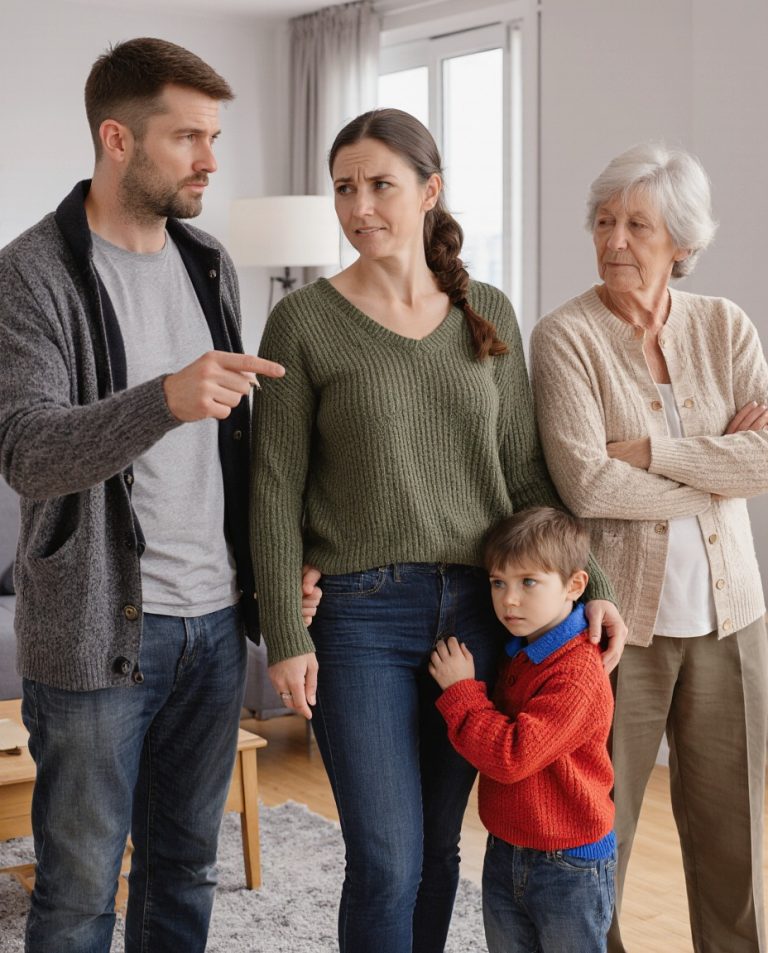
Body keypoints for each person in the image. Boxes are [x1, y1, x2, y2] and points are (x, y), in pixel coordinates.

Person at [250, 107, 627, 953]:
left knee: (439, 849)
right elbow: (273, 489)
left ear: (430, 191)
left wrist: (591, 585)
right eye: (344, 187)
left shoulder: (485, 310)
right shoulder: (302, 322)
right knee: (386, 858)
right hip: (359, 617)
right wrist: (283, 630)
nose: (360, 206)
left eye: (381, 184)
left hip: (481, 614)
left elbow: (525, 473)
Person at [0, 37, 319, 953]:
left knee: (184, 871)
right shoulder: (31, 274)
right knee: (78, 893)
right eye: (188, 137)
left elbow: (236, 454)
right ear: (118, 139)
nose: (210, 159)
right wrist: (163, 400)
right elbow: (27, 450)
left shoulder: (208, 259)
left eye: (214, 137)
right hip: (97, 635)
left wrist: (273, 575)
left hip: (214, 626)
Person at [529, 142, 768, 953]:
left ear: (682, 242)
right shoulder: (565, 337)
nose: (615, 240)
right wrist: (717, 469)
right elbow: (588, 485)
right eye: (604, 221)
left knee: (734, 833)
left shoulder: (724, 324)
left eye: (637, 225)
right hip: (619, 623)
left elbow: (765, 458)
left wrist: (653, 451)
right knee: (602, 830)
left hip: (732, 618)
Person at [430, 506, 615, 953]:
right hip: (505, 849)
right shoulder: (519, 652)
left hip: (569, 865)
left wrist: (461, 692)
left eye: (528, 582)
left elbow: (512, 757)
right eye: (498, 583)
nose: (509, 600)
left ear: (575, 585)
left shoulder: (576, 672)